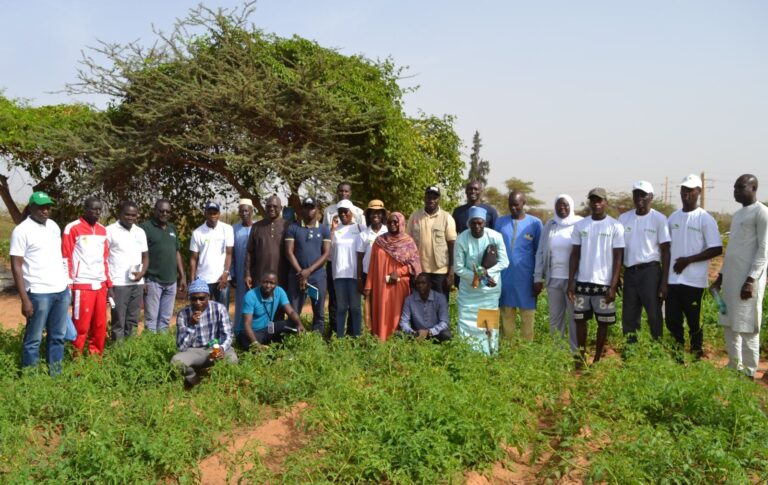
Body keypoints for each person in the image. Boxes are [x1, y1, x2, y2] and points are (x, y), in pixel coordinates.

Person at [711, 174, 768, 379]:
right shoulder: (737, 215)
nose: (735, 191)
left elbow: (764, 250)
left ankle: (750, 371)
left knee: (747, 327)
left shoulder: (762, 213)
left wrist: (751, 280)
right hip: (731, 280)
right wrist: (720, 278)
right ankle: (734, 365)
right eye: (734, 188)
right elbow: (732, 250)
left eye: (740, 187)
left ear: (753, 188)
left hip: (747, 283)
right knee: (728, 323)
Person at [9, 192, 71, 375]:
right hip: (38, 292)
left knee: (58, 336)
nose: (45, 211)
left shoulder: (53, 226)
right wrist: (24, 299)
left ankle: (55, 374)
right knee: (33, 339)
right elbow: (16, 265)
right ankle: (31, 378)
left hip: (60, 291)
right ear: (31, 207)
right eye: (41, 207)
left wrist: (66, 286)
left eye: (48, 207)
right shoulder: (21, 231)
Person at [666, 174, 722, 359]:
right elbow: (665, 247)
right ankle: (677, 358)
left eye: (690, 190)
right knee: (673, 321)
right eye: (684, 189)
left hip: (694, 282)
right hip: (673, 280)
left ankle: (697, 357)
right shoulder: (673, 217)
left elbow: (716, 248)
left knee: (694, 323)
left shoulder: (705, 219)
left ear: (699, 191)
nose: (686, 193)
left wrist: (688, 260)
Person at [568, 188, 624, 367]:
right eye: (593, 200)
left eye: (600, 200)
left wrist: (613, 285)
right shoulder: (580, 225)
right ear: (589, 203)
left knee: (603, 323)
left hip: (604, 284)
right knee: (580, 321)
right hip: (583, 282)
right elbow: (575, 254)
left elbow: (618, 258)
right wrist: (571, 282)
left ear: (606, 202)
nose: (596, 203)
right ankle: (581, 356)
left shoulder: (615, 226)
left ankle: (598, 358)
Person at [618, 181, 671, 343]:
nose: (639, 198)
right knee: (629, 315)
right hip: (630, 272)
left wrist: (664, 282)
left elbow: (665, 251)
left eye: (643, 195)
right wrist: (618, 276)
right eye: (636, 194)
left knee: (654, 314)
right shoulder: (624, 218)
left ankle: (656, 351)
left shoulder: (659, 219)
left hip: (650, 272)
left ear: (651, 197)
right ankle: (631, 352)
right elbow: (619, 250)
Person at [454, 207, 509, 354]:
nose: (477, 227)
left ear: (484, 223)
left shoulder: (495, 237)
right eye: (473, 223)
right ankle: (467, 355)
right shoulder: (461, 239)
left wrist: (486, 274)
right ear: (468, 223)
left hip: (488, 291)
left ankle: (490, 354)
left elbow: (504, 262)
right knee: (467, 323)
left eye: (480, 223)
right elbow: (458, 269)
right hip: (469, 292)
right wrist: (478, 276)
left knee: (488, 323)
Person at [62, 197, 112, 356]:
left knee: (99, 325)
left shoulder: (103, 230)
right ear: (85, 209)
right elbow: (65, 257)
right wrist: (68, 284)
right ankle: (76, 359)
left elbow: (105, 259)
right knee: (81, 326)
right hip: (82, 284)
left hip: (100, 285)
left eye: (99, 210)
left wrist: (108, 284)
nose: (97, 213)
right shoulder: (72, 228)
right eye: (93, 209)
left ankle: (95, 359)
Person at [533, 194, 582, 352]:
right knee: (555, 319)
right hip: (553, 278)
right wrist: (537, 276)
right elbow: (541, 251)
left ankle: (575, 353)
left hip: (573, 280)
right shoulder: (550, 225)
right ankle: (557, 354)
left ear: (571, 206)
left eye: (566, 205)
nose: (562, 208)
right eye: (559, 205)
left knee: (574, 318)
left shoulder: (580, 223)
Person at [171, 279, 238, 389]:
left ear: (209, 297)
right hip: (195, 351)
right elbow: (181, 347)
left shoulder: (219, 309)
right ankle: (194, 380)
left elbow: (228, 334)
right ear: (190, 299)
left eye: (202, 298)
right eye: (194, 299)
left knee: (232, 360)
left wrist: (222, 348)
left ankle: (217, 383)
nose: (198, 302)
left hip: (215, 348)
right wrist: (191, 325)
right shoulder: (183, 314)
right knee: (176, 362)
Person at [365, 212, 422, 341]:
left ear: (401, 223)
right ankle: (381, 342)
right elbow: (372, 265)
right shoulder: (379, 241)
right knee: (381, 314)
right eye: (390, 222)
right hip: (380, 286)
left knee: (397, 315)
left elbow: (415, 265)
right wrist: (368, 285)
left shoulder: (408, 242)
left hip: (399, 285)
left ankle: (397, 342)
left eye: (395, 222)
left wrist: (399, 272)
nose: (392, 224)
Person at [497, 191, 543, 341]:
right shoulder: (500, 222)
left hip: (526, 279)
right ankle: (507, 351)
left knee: (527, 318)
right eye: (510, 205)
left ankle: (526, 351)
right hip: (505, 278)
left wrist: (538, 278)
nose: (513, 208)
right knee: (506, 315)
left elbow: (539, 252)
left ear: (524, 203)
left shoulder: (535, 224)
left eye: (516, 205)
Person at [323, 182, 365, 338]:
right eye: (340, 212)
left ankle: (356, 336)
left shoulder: (360, 226)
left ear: (352, 212)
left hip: (354, 274)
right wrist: (332, 232)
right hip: (338, 274)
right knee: (340, 307)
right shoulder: (333, 224)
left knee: (355, 307)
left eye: (346, 212)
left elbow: (364, 247)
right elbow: (328, 252)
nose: (343, 214)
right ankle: (338, 337)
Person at [140, 199, 187, 333]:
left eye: (167, 211)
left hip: (171, 281)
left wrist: (182, 276)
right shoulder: (145, 228)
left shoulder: (172, 228)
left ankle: (161, 346)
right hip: (153, 280)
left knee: (165, 320)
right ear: (155, 210)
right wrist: (142, 279)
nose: (164, 213)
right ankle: (150, 349)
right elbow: (139, 254)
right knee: (151, 320)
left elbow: (177, 252)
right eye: (161, 211)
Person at [285, 197, 331, 333]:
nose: (309, 210)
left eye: (312, 207)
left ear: (317, 210)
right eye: (306, 207)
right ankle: (293, 340)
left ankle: (317, 342)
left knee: (319, 312)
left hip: (317, 278)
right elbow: (288, 252)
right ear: (301, 209)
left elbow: (326, 253)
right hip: (297, 277)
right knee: (293, 311)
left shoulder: (324, 230)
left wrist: (308, 271)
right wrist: (301, 272)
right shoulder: (293, 228)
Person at [106, 201, 148, 341]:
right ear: (120, 214)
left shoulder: (140, 231)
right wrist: (109, 285)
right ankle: (118, 353)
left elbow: (145, 256)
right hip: (118, 283)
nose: (130, 217)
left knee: (133, 319)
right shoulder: (110, 231)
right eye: (127, 214)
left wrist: (142, 273)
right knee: (118, 320)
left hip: (137, 283)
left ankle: (130, 350)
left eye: (133, 215)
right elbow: (103, 257)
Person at [407, 186, 457, 296]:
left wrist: (451, 272)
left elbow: (452, 245)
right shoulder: (415, 216)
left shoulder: (447, 218)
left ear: (439, 199)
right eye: (429, 197)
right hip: (419, 270)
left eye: (435, 197)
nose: (431, 200)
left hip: (440, 271)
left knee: (440, 305)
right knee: (419, 305)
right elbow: (407, 244)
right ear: (424, 198)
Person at [237, 271, 305, 350]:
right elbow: (247, 325)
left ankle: (278, 347)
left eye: (272, 283)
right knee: (248, 342)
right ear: (260, 281)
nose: (268, 285)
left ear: (276, 284)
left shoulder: (279, 292)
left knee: (292, 325)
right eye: (265, 282)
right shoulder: (250, 295)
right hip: (250, 332)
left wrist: (299, 324)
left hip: (267, 329)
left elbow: (291, 312)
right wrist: (256, 344)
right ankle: (262, 347)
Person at [189, 201, 234, 307]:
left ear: (219, 214)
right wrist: (192, 281)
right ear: (205, 214)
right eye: (210, 213)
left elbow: (229, 253)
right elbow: (193, 259)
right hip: (203, 280)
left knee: (222, 311)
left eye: (215, 213)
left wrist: (226, 273)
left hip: (222, 279)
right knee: (202, 311)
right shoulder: (197, 233)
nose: (212, 215)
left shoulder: (227, 229)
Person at [245, 195, 290, 289]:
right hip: (259, 277)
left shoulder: (288, 226)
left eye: (275, 206)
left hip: (282, 277)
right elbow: (249, 252)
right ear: (265, 208)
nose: (271, 209)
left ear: (281, 208)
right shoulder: (256, 226)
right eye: (269, 206)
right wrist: (247, 274)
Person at [356, 200, 388, 330]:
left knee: (383, 303)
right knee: (369, 305)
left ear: (382, 215)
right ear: (369, 215)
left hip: (384, 275)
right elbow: (359, 258)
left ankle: (383, 331)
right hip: (367, 274)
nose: (376, 215)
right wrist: (359, 279)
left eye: (378, 213)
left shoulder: (388, 232)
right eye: (373, 213)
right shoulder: (363, 235)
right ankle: (370, 333)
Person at [399, 273, 452, 342]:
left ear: (430, 285)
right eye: (418, 283)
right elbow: (403, 322)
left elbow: (444, 322)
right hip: (417, 333)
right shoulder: (409, 300)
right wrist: (413, 332)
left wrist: (428, 332)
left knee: (446, 334)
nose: (420, 285)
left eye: (423, 283)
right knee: (398, 334)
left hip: (435, 333)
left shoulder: (440, 298)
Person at [231, 199, 255, 334]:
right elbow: (231, 253)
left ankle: (254, 331)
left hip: (256, 272)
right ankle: (239, 333)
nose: (244, 213)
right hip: (240, 272)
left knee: (255, 301)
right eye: (241, 210)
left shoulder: (258, 227)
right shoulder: (234, 229)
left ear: (252, 211)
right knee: (240, 302)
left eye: (247, 210)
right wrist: (233, 273)